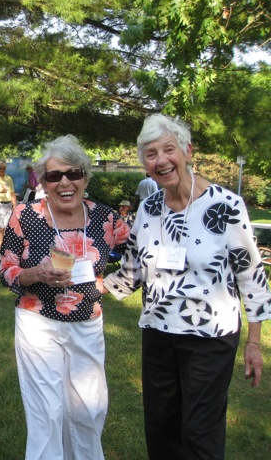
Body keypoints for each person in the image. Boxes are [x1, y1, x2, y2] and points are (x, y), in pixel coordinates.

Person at [103, 114, 271, 460]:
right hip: (159, 332)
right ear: (145, 164)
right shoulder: (148, 208)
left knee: (199, 432)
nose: (161, 160)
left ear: (187, 151)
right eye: (151, 154)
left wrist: (254, 342)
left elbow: (251, 275)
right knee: (161, 428)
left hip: (211, 336)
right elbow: (131, 272)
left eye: (168, 149)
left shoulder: (226, 206)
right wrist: (88, 286)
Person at [0, 135, 130, 460]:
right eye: (54, 176)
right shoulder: (25, 215)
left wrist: (109, 286)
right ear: (43, 181)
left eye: (74, 173)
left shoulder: (106, 218)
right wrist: (36, 273)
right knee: (47, 412)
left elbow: (140, 256)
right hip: (37, 323)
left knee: (88, 411)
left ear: (85, 176)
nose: (65, 182)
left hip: (87, 324)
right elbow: (5, 270)